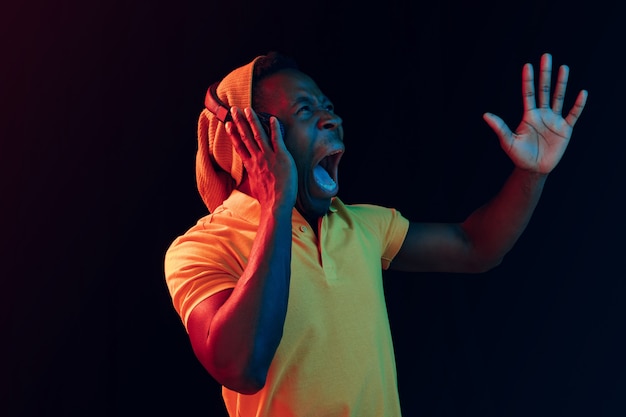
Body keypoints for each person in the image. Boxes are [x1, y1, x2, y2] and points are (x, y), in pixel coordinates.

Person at [164, 51, 587, 416]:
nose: (333, 118)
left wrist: (531, 173)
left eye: (328, 106)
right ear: (250, 139)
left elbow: (476, 248)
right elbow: (242, 366)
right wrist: (275, 202)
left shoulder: (362, 224)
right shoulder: (200, 248)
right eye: (306, 111)